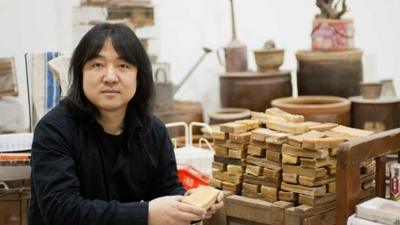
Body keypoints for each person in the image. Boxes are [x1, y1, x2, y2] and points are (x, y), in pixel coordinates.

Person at [29, 23, 223, 225]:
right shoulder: (54, 130)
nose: (110, 77)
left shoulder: (153, 131)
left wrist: (188, 202)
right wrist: (145, 214)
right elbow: (61, 211)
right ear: (80, 74)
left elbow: (166, 190)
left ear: (139, 77)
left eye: (123, 66)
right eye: (97, 65)